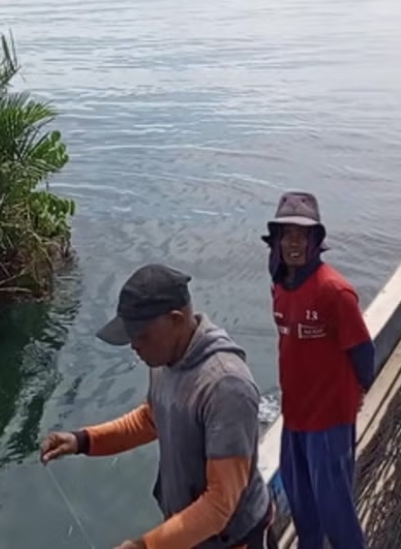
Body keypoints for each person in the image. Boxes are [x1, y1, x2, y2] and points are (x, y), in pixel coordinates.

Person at [39, 264, 273, 549]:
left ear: (176, 319)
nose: (134, 346)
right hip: (190, 535)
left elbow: (220, 505)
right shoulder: (164, 360)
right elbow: (152, 419)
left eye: (142, 335)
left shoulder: (225, 386)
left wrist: (145, 546)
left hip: (234, 541)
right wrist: (82, 441)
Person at [263, 191, 374, 549]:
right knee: (302, 511)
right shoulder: (280, 284)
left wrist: (353, 399)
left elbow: (363, 352)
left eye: (302, 235)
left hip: (328, 420)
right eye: (286, 235)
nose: (293, 243)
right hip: (294, 417)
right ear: (276, 242)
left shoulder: (335, 291)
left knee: (336, 513)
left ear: (315, 242)